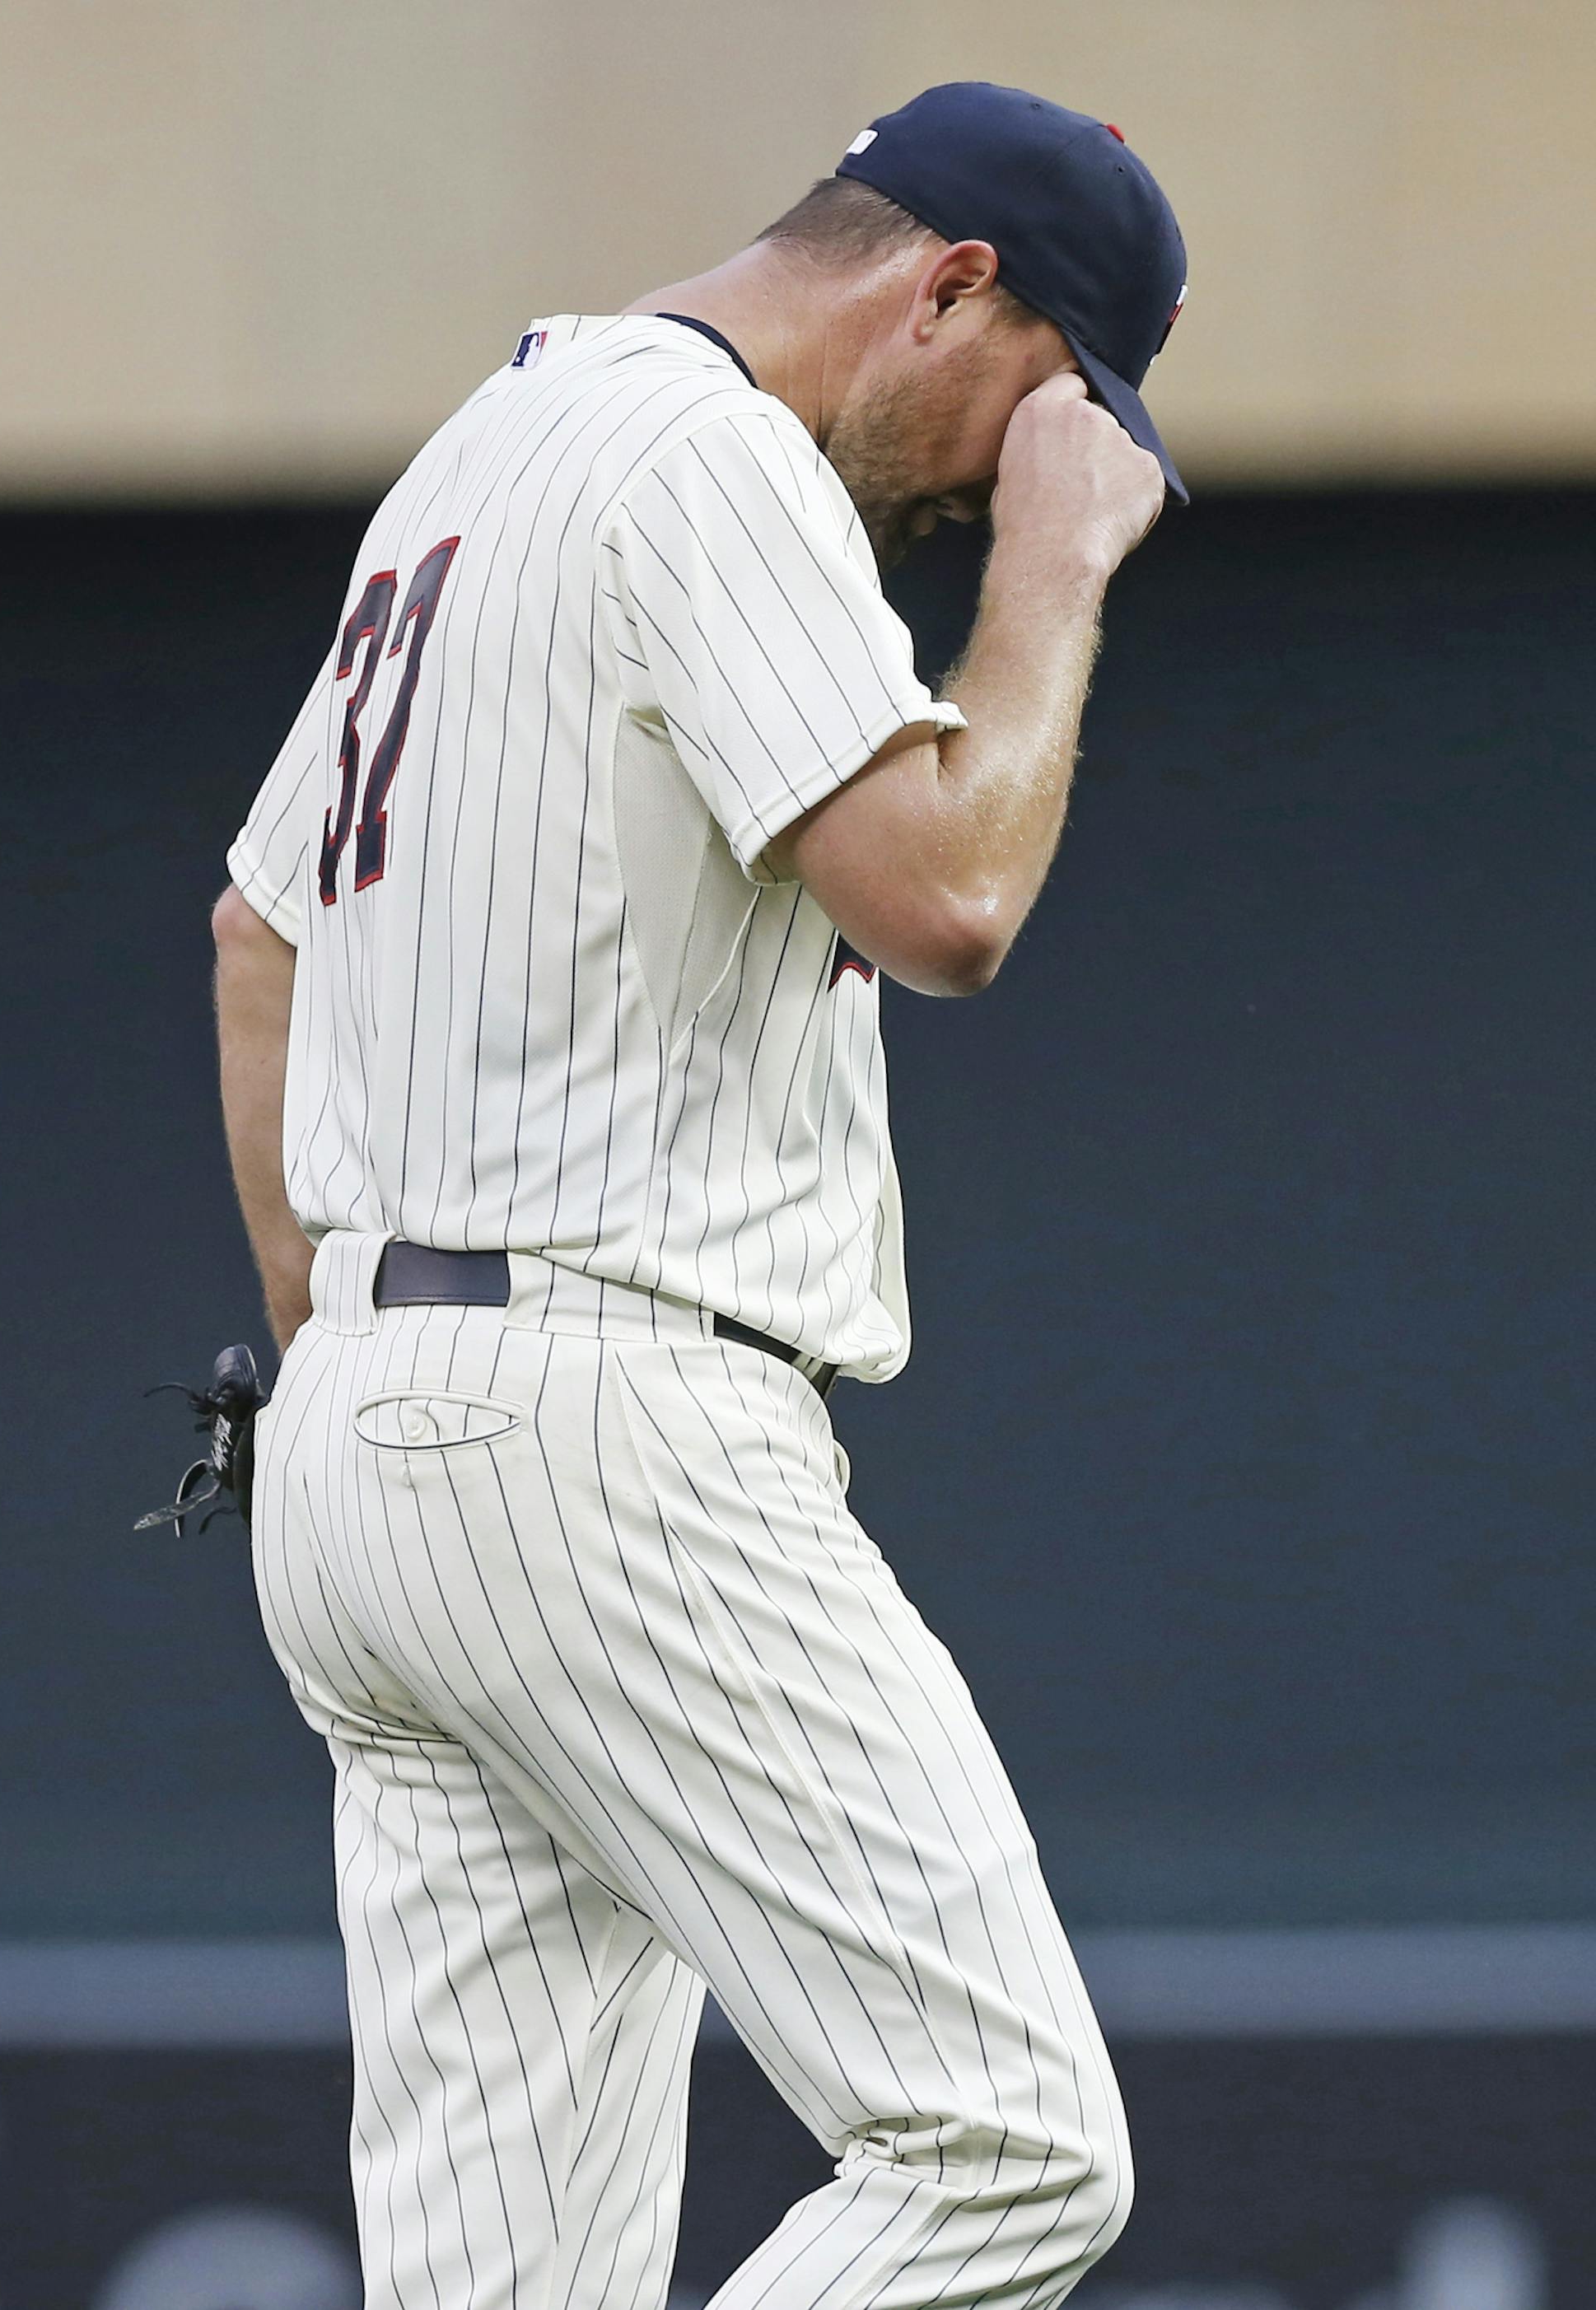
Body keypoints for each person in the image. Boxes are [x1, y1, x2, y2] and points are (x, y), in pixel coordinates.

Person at [212, 81, 1185, 2310]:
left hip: (372, 1445)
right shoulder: (712, 453)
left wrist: (355, 1357)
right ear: (952, 285)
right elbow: (945, 897)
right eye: (1037, 405)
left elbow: (257, 938)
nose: (998, 478)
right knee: (1009, 2147)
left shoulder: (490, 445)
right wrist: (1055, 571)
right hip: (604, 1424)